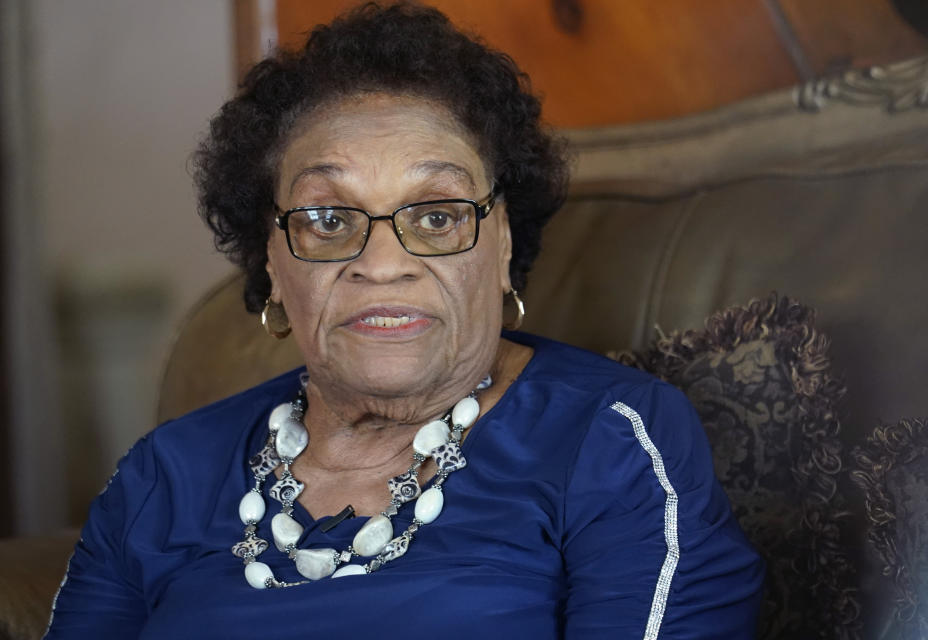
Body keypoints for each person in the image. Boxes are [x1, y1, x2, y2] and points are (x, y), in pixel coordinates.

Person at [44, 3, 764, 638]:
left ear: (503, 241)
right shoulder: (162, 476)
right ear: (271, 258)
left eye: (438, 215)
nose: (383, 263)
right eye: (328, 219)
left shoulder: (609, 443)